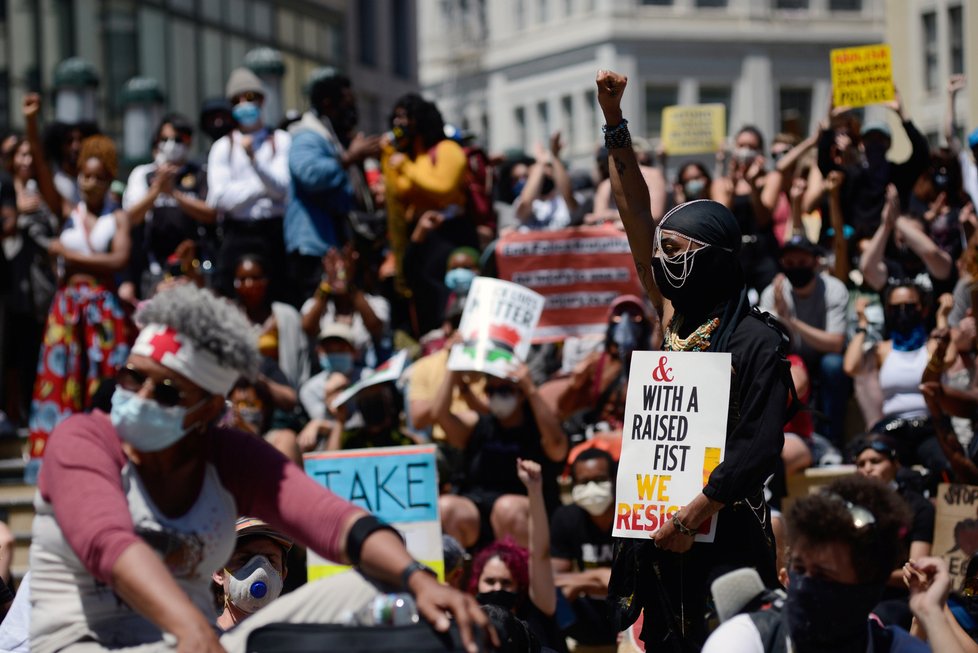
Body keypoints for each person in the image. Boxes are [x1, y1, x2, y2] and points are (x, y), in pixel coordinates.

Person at [29, 282, 493, 653]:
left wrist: (415, 577)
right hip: (86, 643)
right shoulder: (82, 440)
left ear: (208, 410)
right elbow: (108, 544)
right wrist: (192, 628)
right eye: (132, 378)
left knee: (389, 591)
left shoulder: (228, 455)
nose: (140, 398)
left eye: (167, 391)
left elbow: (332, 520)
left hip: (205, 643)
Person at [594, 69, 792, 652]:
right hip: (658, 532)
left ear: (716, 258)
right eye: (660, 252)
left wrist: (693, 515)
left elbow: (759, 448)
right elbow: (635, 212)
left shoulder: (757, 341)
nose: (661, 261)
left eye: (676, 251)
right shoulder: (670, 314)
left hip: (721, 530)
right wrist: (614, 121)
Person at [702, 475, 969, 653]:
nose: (805, 584)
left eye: (823, 574)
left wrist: (931, 613)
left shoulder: (890, 646)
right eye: (800, 568)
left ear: (867, 586)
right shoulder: (751, 637)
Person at [23, 93, 133, 478]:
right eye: (85, 175)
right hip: (67, 310)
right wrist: (33, 125)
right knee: (62, 383)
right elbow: (38, 165)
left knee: (105, 384)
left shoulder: (117, 218)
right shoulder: (66, 210)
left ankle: (109, 460)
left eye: (99, 177)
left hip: (102, 310)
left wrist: (68, 257)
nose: (89, 183)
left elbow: (119, 260)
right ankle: (59, 465)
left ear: (109, 179)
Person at [437, 363, 568, 549]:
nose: (498, 396)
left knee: (506, 509)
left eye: (505, 389)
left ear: (521, 394)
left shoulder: (539, 428)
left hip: (524, 513)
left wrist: (530, 388)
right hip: (480, 511)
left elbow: (557, 446)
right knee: (446, 507)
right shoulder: (479, 425)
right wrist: (453, 367)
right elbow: (440, 416)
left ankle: (525, 574)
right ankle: (459, 574)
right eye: (491, 390)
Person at [382, 93, 477, 335]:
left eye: (405, 117)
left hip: (449, 237)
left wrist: (404, 166)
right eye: (396, 118)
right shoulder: (412, 157)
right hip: (421, 238)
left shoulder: (447, 149)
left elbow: (442, 187)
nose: (399, 124)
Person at [285, 69, 381, 304]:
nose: (353, 111)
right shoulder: (308, 136)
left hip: (334, 247)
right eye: (348, 104)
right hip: (313, 247)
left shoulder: (334, 138)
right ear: (328, 104)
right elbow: (309, 174)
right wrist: (348, 158)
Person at [843, 282, 956, 474]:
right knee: (868, 459)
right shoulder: (883, 350)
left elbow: (948, 358)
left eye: (910, 306)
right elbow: (850, 366)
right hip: (892, 429)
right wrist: (863, 325)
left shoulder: (930, 348)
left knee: (945, 464)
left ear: (923, 309)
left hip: (928, 427)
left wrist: (942, 318)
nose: (903, 312)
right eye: (896, 308)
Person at [207, 67, 291, 303]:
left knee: (277, 297)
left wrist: (255, 162)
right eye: (237, 100)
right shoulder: (223, 147)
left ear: (262, 100)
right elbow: (221, 199)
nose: (244, 104)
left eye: (250, 97)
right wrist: (264, 186)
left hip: (273, 233)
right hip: (237, 232)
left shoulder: (281, 141)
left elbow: (283, 188)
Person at [760, 234, 848, 446]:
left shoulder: (833, 289)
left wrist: (792, 320)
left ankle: (832, 440)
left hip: (824, 359)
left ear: (815, 262)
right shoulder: (773, 292)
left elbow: (835, 343)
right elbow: (770, 340)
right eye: (790, 263)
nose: (796, 267)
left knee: (833, 365)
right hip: (791, 359)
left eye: (802, 262)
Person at [123, 113, 216, 299]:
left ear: (189, 142)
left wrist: (174, 193)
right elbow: (130, 218)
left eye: (178, 139)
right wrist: (157, 190)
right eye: (164, 139)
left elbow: (211, 213)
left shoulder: (202, 173)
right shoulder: (143, 174)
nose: (170, 145)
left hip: (194, 268)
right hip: (155, 269)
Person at [850, 434, 936, 629]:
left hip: (901, 599)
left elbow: (916, 572)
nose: (868, 468)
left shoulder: (918, 507)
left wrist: (871, 574)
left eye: (875, 461)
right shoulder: (851, 507)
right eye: (861, 464)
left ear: (895, 463)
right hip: (859, 593)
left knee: (870, 623)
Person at [550, 449, 618, 649]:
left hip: (628, 610)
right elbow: (555, 581)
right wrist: (600, 576)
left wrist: (580, 581)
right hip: (586, 616)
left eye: (599, 479)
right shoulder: (565, 517)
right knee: (553, 599)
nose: (591, 488)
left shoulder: (632, 518)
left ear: (614, 480)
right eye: (583, 482)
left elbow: (635, 583)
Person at [213, 517, 292, 630]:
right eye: (245, 559)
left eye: (270, 560)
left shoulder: (293, 641)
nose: (260, 571)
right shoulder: (202, 640)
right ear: (219, 573)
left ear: (283, 575)